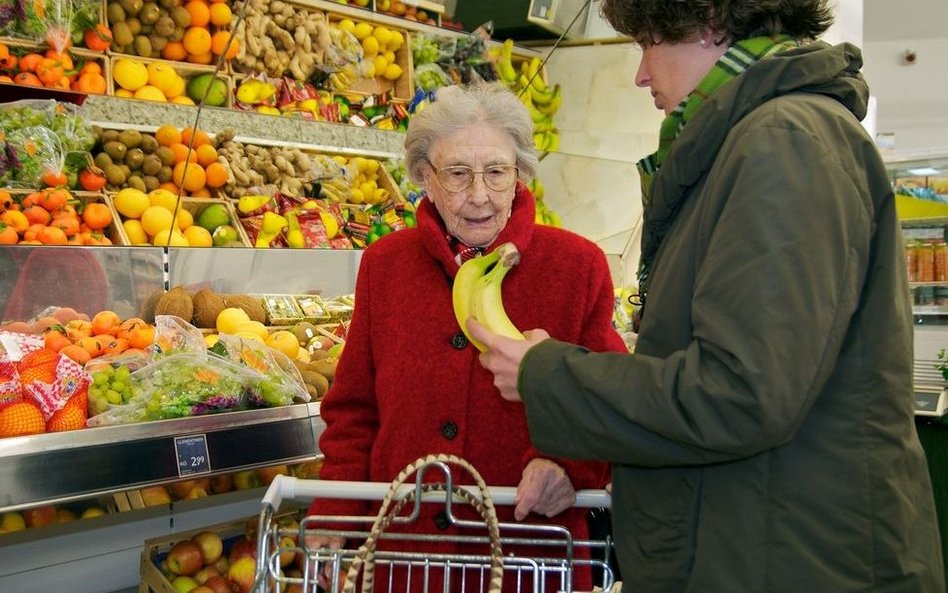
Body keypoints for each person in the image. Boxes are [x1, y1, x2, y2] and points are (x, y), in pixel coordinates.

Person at [468, 1, 946, 592]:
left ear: (711, 21)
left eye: (647, 43)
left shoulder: (783, 144)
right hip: (764, 544)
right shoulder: (762, 141)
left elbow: (741, 392)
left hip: (787, 560)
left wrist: (549, 377)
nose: (641, 74)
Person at [307, 82, 628, 591]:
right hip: (405, 559)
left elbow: (612, 400)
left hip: (531, 555)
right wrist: (335, 511)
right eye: (457, 174)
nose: (479, 196)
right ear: (423, 179)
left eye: (497, 173)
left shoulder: (577, 266)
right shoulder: (385, 266)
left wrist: (571, 467)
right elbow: (354, 412)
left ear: (520, 175)